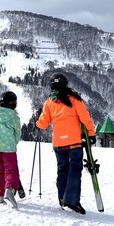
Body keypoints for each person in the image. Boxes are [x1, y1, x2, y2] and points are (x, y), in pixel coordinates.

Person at [36, 70, 96, 215]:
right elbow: (85, 118)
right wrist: (91, 134)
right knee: (74, 171)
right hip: (74, 142)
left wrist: (36, 123)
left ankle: (62, 198)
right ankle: (72, 201)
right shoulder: (74, 98)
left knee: (62, 170)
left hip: (58, 143)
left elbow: (43, 124)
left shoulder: (50, 101)